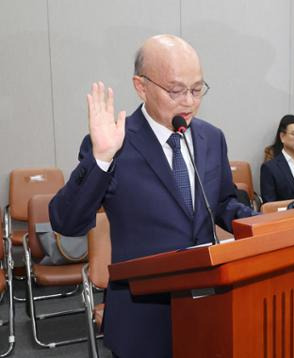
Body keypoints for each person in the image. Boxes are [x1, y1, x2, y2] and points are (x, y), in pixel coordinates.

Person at [48, 35, 255, 357]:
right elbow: (68, 221)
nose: (188, 101)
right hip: (141, 311)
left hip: (207, 303)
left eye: (197, 89)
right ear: (141, 86)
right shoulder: (113, 142)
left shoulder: (211, 137)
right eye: (175, 90)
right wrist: (101, 157)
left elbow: (223, 201)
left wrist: (257, 221)